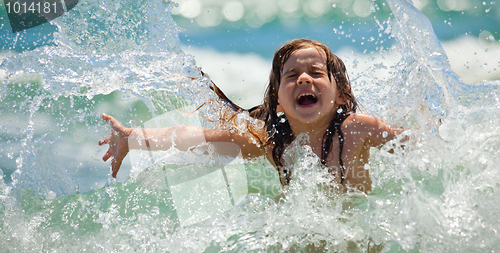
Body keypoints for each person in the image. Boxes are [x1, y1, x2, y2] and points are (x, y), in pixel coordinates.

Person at [99, 39, 404, 193]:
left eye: (315, 73)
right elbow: (198, 138)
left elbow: (419, 147)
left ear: (341, 95)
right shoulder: (272, 144)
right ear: (279, 102)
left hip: (357, 252)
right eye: (292, 76)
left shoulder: (356, 131)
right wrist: (133, 138)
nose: (303, 80)